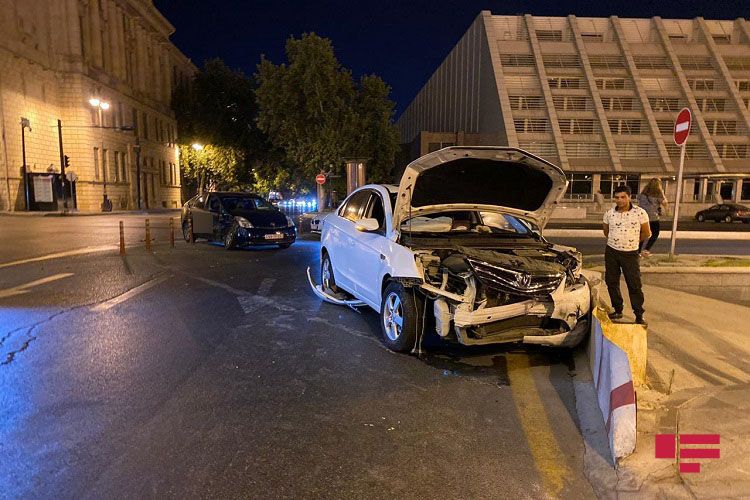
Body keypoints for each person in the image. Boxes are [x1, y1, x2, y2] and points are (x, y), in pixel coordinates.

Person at [603, 185, 651, 326]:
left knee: (634, 285)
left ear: (629, 197)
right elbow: (606, 232)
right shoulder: (609, 213)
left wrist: (633, 242)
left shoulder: (640, 213)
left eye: (623, 197)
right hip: (612, 252)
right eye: (617, 197)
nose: (620, 200)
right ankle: (618, 309)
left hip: (630, 253)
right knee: (611, 282)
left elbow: (646, 233)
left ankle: (639, 314)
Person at [636, 178, 668, 257]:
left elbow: (638, 199)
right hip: (653, 216)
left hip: (641, 216)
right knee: (655, 233)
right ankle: (646, 250)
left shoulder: (644, 192)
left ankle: (638, 251)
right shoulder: (658, 193)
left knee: (642, 233)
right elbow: (665, 203)